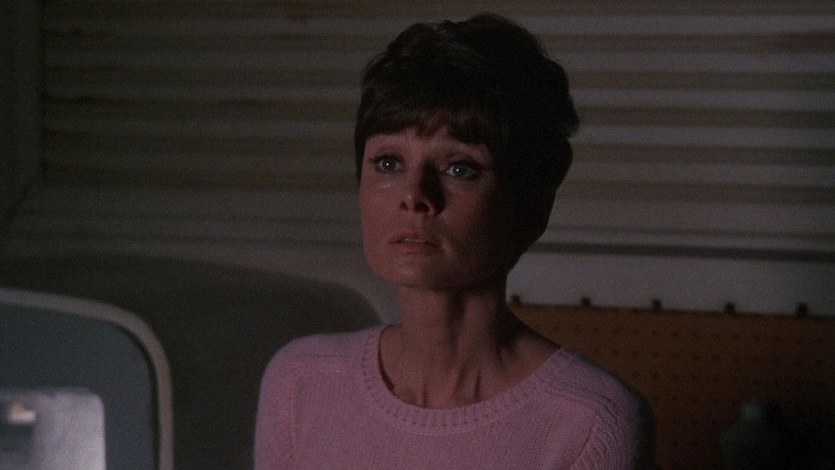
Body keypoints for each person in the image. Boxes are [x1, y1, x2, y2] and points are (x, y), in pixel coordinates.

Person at [255, 13, 655, 469]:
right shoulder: (301, 381)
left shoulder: (590, 422)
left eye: (460, 168)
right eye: (388, 163)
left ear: (531, 210)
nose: (414, 196)